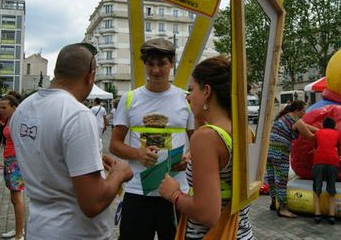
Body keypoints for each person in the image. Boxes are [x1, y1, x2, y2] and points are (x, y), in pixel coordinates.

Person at [10, 43, 133, 240]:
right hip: (77, 233)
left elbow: (47, 156)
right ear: (90, 75)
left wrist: (90, 159)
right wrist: (119, 174)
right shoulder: (77, 114)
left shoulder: (23, 109)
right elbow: (92, 204)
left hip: (39, 229)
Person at [158, 56, 254, 239]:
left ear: (207, 90)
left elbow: (207, 214)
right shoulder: (243, 130)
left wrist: (173, 194)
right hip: (241, 232)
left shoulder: (206, 138)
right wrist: (200, 113)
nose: (187, 97)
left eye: (191, 89)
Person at [110, 38, 194, 240]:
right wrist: (138, 154)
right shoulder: (130, 98)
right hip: (138, 191)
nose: (156, 71)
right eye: (151, 64)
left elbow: (198, 141)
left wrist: (189, 157)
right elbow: (114, 144)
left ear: (172, 63)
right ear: (144, 64)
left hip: (176, 192)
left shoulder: (186, 99)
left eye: (162, 64)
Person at [265, 100, 318, 218]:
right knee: (281, 180)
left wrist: (321, 130)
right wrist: (326, 135)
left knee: (272, 177)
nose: (305, 113)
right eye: (303, 110)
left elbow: (307, 126)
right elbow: (310, 136)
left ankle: (274, 203)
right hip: (280, 153)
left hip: (269, 151)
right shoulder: (296, 120)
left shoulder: (284, 117)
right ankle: (283, 208)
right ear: (296, 111)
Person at [0, 94, 25, 240]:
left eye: (4, 107)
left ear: (14, 107)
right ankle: (18, 229)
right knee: (14, 197)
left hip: (15, 161)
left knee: (17, 197)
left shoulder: (19, 119)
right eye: (0, 107)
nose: (1, 110)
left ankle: (20, 234)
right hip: (10, 160)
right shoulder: (10, 118)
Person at [312, 117, 341, 224]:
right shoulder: (337, 134)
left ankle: (317, 214)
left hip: (319, 161)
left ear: (323, 125)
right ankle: (332, 216)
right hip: (333, 161)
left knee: (317, 189)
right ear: (334, 125)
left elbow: (315, 149)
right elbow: (339, 151)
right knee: (331, 189)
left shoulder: (318, 133)